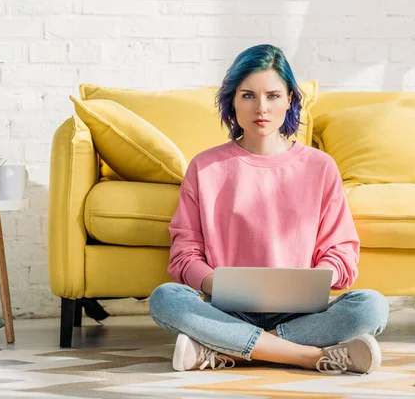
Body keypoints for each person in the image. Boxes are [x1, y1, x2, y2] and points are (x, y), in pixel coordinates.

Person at [149, 44, 389, 375]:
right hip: (228, 310)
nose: (261, 107)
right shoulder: (205, 167)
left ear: (290, 98)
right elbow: (184, 257)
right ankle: (308, 356)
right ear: (232, 100)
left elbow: (341, 255)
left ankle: (225, 350)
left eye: (273, 95)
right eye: (248, 95)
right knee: (166, 298)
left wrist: (315, 281)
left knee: (371, 307)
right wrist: (214, 283)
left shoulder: (320, 167)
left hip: (302, 314)